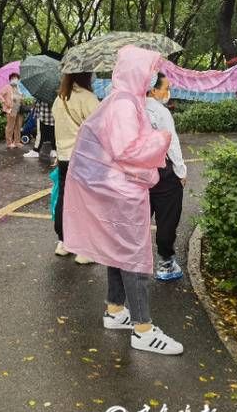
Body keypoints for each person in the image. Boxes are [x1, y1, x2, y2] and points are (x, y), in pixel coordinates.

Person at [62, 46, 184, 355]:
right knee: (133, 255)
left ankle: (115, 309)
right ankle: (143, 329)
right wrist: (161, 139)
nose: (151, 76)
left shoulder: (121, 101)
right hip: (123, 190)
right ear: (136, 73)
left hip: (115, 188)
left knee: (119, 252)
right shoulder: (125, 105)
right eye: (148, 71)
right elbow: (128, 151)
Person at [51, 71, 99, 263]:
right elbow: (100, 126)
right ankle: (84, 250)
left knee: (65, 198)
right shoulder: (88, 98)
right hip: (83, 157)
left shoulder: (60, 98)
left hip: (64, 156)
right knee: (85, 202)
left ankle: (63, 242)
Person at [146, 73, 187, 281]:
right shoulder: (160, 112)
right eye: (165, 88)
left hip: (137, 174)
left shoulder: (129, 109)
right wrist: (181, 171)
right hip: (163, 173)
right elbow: (171, 143)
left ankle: (133, 263)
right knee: (167, 219)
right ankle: (166, 263)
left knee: (138, 219)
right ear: (153, 90)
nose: (167, 92)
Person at [0, 72, 23, 148]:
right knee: (10, 126)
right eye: (13, 78)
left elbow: (20, 97)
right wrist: (4, 102)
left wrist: (21, 98)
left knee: (18, 126)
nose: (14, 80)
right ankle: (9, 142)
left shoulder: (18, 87)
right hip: (11, 109)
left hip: (18, 108)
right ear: (10, 79)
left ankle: (17, 142)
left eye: (16, 78)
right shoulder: (7, 87)